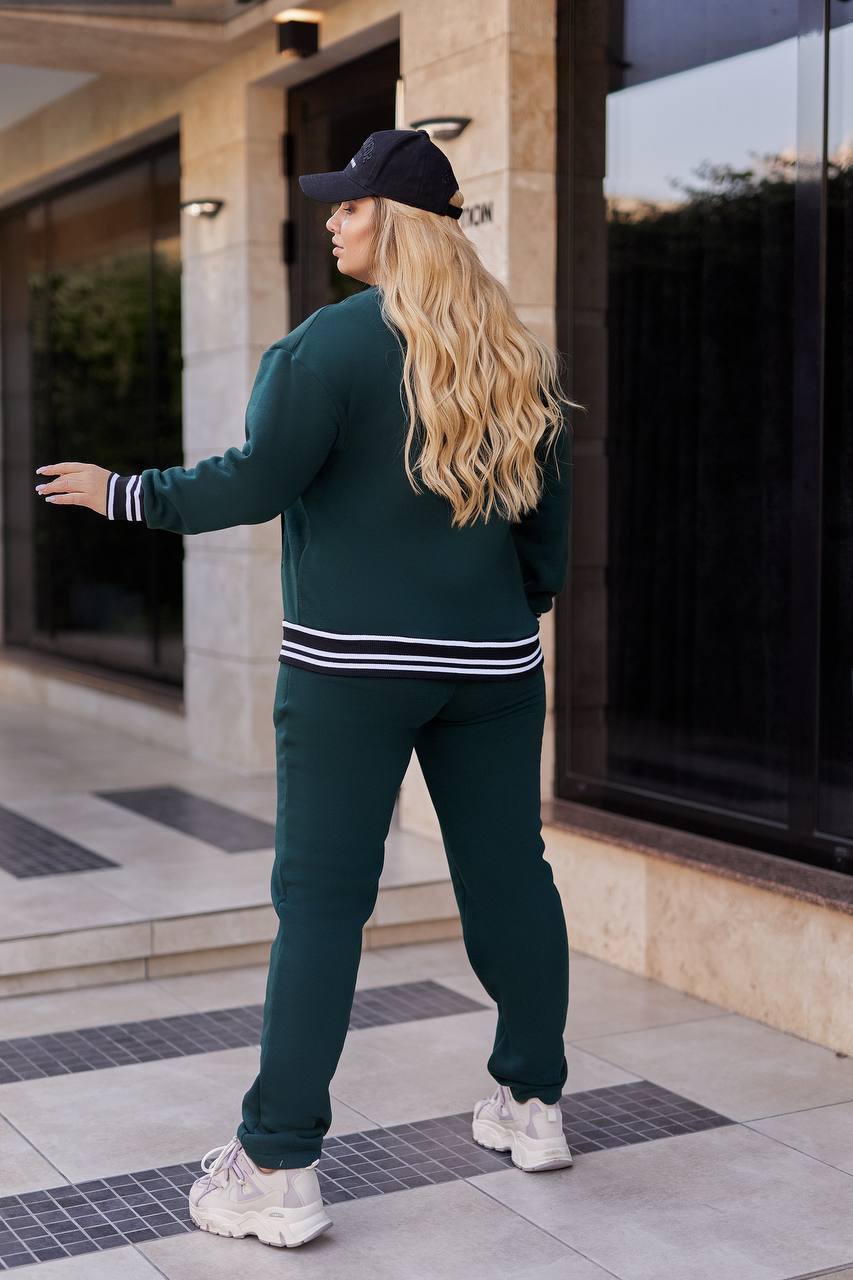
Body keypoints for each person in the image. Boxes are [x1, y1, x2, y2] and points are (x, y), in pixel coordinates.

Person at [34, 127, 577, 1249]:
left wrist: (122, 492)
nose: (331, 221)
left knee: (322, 904)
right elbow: (546, 531)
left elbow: (255, 481)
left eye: (348, 205)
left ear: (397, 222)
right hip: (491, 670)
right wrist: (493, 615)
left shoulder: (327, 345)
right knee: (509, 878)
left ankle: (278, 1164)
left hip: (350, 671)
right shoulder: (512, 350)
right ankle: (533, 1106)